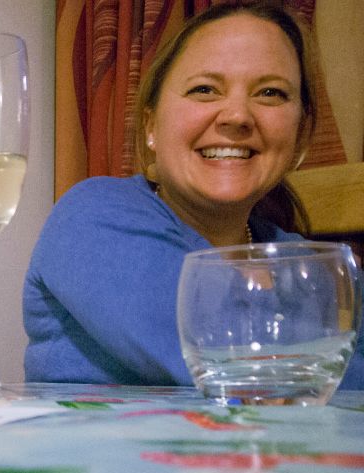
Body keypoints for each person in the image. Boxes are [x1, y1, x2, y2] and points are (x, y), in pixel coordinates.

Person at [23, 0, 364, 389]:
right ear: (150, 125)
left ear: (301, 134)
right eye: (204, 89)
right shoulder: (90, 217)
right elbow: (233, 363)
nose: (237, 116)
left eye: (270, 93)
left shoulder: (316, 268)